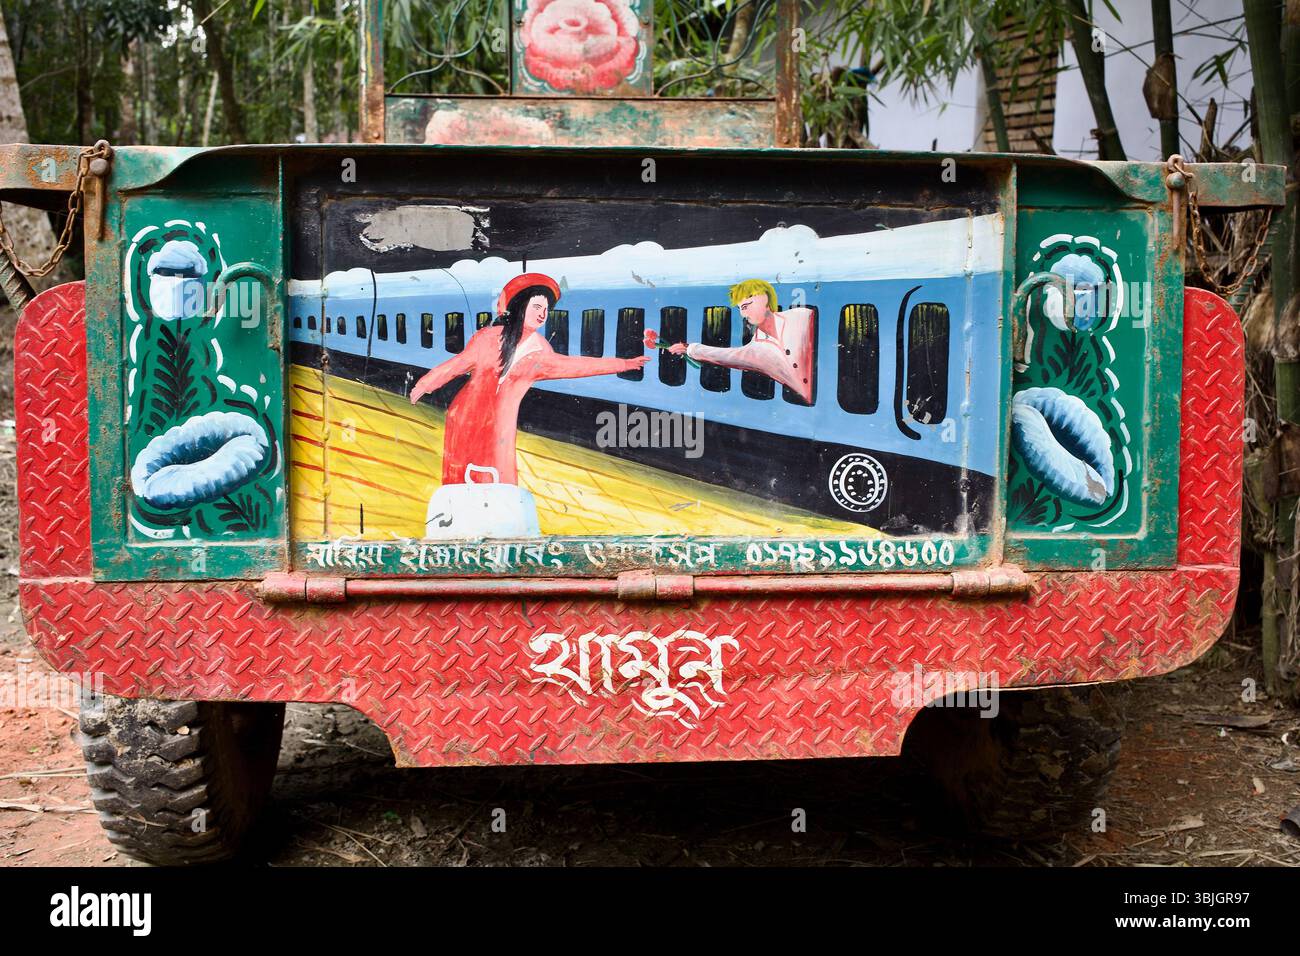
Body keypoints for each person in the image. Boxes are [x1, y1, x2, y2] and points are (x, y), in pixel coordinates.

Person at [410, 272, 649, 486]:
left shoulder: (540, 352)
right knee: (459, 481)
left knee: (499, 481)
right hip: (465, 419)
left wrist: (624, 364)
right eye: (536, 307)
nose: (543, 315)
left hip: (500, 428)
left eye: (546, 310)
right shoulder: (487, 338)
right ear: (520, 306)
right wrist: (425, 384)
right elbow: (457, 365)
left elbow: (577, 366)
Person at [669, 278, 815, 404]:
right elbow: (724, 355)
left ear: (765, 300)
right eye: (740, 308)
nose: (743, 313)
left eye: (746, 306)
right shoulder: (756, 348)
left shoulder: (802, 317)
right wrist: (689, 348)